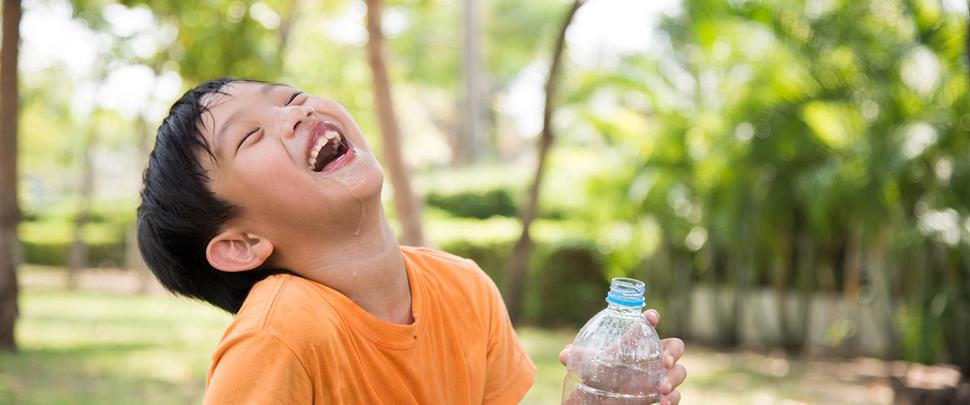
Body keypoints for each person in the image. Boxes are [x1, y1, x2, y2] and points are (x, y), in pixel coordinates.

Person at [137, 78, 687, 404]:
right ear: (242, 244)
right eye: (251, 134)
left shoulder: (464, 287)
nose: (296, 111)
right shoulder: (281, 337)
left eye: (291, 96)